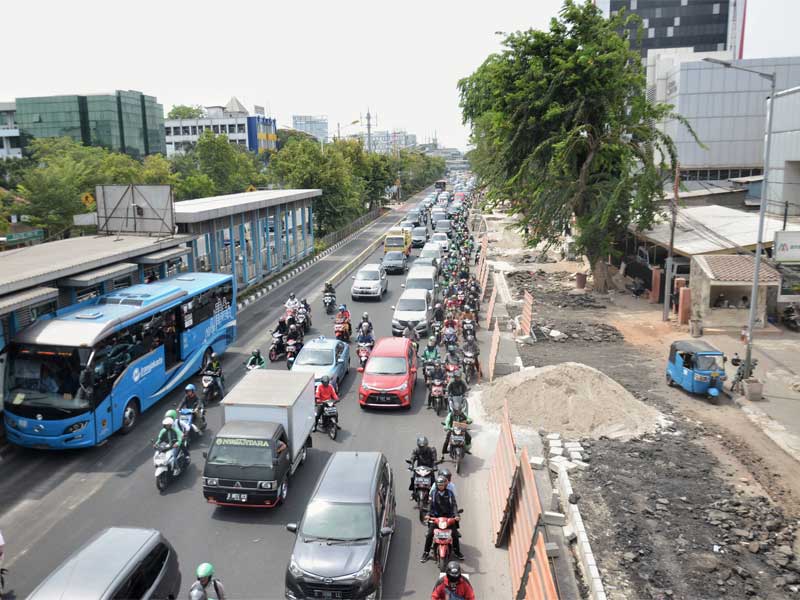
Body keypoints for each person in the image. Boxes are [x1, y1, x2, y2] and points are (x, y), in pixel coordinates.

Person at [421, 475, 463, 562]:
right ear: (437, 485)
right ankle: (426, 552)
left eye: (442, 485)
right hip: (436, 518)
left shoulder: (450, 494)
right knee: (429, 535)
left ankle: (457, 551)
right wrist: (428, 514)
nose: (441, 486)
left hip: (448, 518)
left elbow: (454, 505)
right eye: (439, 485)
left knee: (455, 534)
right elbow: (430, 505)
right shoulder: (433, 493)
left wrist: (456, 515)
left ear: (445, 485)